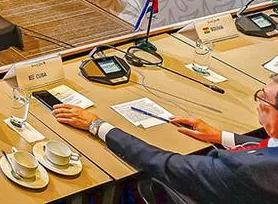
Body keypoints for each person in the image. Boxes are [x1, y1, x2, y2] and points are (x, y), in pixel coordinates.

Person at [52, 74, 278, 204]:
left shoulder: (248, 168)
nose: (257, 102)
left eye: (263, 98)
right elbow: (268, 147)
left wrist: (96, 125)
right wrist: (220, 136)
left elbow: (165, 163)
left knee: (128, 183)